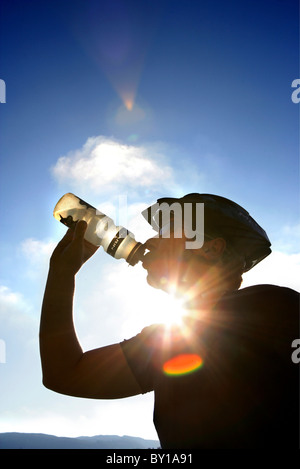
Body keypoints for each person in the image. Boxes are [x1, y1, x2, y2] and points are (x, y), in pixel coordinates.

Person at [40, 193, 299, 448]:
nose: (152, 240)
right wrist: (62, 273)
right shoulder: (167, 341)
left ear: (210, 248)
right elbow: (64, 374)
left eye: (169, 231)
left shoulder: (273, 307)